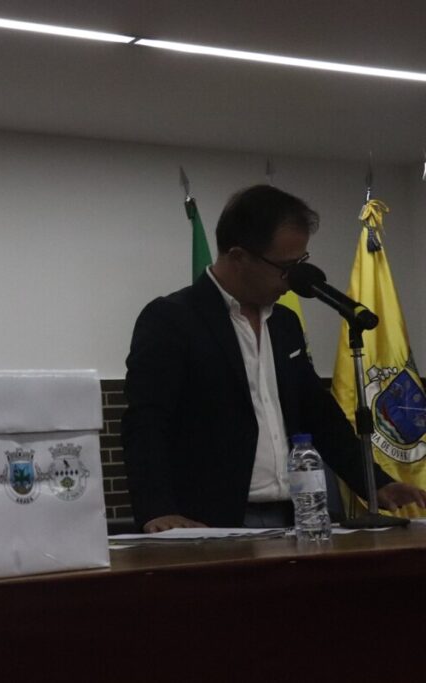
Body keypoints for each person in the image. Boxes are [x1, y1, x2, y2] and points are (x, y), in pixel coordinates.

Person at [122, 184, 426, 533]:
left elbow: (319, 415)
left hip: (295, 516)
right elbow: (145, 422)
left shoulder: (285, 324)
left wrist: (376, 482)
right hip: (207, 522)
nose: (293, 279)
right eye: (286, 267)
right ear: (238, 257)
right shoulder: (171, 319)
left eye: (301, 263)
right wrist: (156, 509)